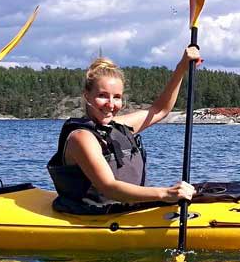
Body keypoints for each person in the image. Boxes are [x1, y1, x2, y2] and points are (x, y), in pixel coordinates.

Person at [47, 46, 202, 213]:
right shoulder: (81, 138)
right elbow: (109, 187)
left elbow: (160, 110)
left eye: (117, 97)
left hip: (124, 210)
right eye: (103, 95)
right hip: (95, 217)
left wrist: (182, 67)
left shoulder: (117, 127)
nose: (111, 104)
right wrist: (164, 193)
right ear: (87, 96)